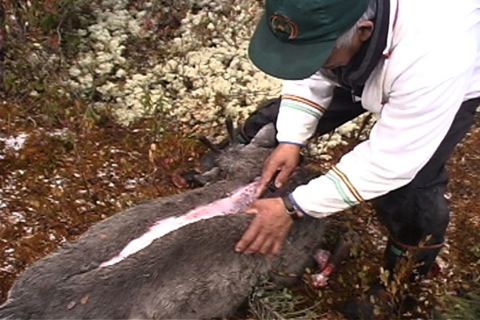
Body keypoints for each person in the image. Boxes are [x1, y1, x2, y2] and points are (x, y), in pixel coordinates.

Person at [234, 0, 480, 317]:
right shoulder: (323, 16)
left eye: (319, 53)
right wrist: (291, 138)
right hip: (361, 54)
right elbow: (306, 63)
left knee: (411, 192)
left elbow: (390, 162)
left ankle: (398, 286)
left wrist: (294, 207)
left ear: (363, 31)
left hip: (445, 81)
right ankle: (228, 172)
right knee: (276, 120)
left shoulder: (436, 55)